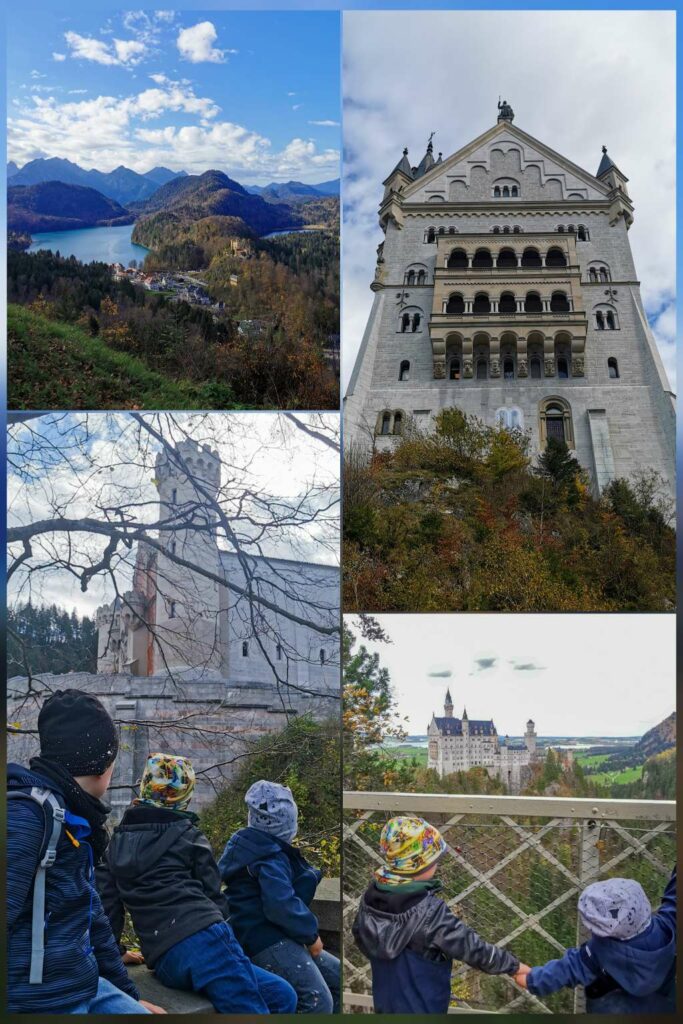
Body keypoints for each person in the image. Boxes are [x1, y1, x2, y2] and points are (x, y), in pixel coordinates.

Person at [7, 688, 163, 1014]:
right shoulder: (31, 816)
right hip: (39, 1000)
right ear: (103, 766)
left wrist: (128, 996)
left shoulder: (73, 821)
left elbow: (93, 918)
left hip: (81, 984)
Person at [103, 753, 297, 1015]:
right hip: (205, 940)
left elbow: (107, 907)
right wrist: (231, 946)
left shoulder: (114, 845)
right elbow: (214, 896)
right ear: (184, 796)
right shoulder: (188, 835)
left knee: (282, 995)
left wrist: (116, 952)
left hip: (165, 960)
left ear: (145, 787)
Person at [352, 815, 525, 1014]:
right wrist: (514, 966)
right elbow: (472, 948)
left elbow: (359, 933)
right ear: (419, 864)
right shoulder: (430, 913)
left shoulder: (371, 898)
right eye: (434, 859)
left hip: (385, 1005)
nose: (437, 864)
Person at [219, 780, 340, 1014]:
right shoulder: (269, 857)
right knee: (318, 999)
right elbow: (280, 904)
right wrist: (310, 935)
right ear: (287, 826)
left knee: (337, 977)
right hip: (264, 937)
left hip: (271, 934)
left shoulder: (254, 849)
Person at [515, 869, 677, 1014]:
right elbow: (674, 898)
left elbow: (566, 970)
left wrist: (532, 980)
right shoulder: (668, 926)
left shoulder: (598, 953)